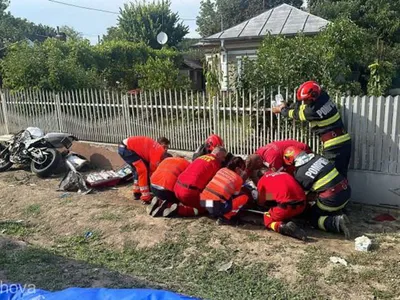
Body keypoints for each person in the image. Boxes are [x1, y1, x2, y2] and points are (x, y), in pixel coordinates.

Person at [273, 81, 351, 178]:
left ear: (314, 97)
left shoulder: (312, 112)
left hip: (333, 146)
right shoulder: (324, 97)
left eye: (306, 100)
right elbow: (303, 107)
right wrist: (288, 105)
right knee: (342, 174)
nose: (304, 102)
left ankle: (338, 193)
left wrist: (281, 109)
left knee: (334, 177)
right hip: (344, 140)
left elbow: (295, 114)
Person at [283, 146, 351, 238]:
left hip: (332, 200)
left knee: (311, 217)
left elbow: (302, 196)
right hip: (346, 191)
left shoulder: (300, 174)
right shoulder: (318, 157)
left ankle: (336, 223)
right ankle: (338, 211)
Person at [164, 147, 227, 218]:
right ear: (218, 154)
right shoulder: (215, 163)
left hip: (177, 188)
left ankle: (165, 204)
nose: (223, 160)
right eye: (223, 157)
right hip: (189, 193)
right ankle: (180, 210)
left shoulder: (200, 157)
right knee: (209, 205)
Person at [257, 171, 307, 240]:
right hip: (302, 206)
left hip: (285, 209)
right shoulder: (285, 173)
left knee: (267, 218)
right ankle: (293, 220)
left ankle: (283, 227)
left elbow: (261, 202)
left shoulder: (262, 180)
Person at [118, 136, 170, 203]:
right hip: (127, 149)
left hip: (126, 147)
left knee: (138, 170)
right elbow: (152, 173)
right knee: (143, 171)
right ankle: (145, 197)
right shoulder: (158, 153)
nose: (166, 149)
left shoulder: (157, 148)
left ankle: (137, 192)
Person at [200, 157, 249, 225]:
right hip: (216, 206)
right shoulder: (238, 179)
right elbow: (236, 194)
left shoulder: (221, 170)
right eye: (242, 170)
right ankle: (225, 218)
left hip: (204, 203)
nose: (242, 172)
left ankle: (213, 212)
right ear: (237, 169)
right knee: (244, 197)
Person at [246, 140, 311, 184]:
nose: (258, 169)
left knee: (290, 178)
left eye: (257, 168)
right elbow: (250, 172)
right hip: (291, 154)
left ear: (258, 162)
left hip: (301, 152)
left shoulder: (271, 158)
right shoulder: (258, 154)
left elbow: (279, 176)